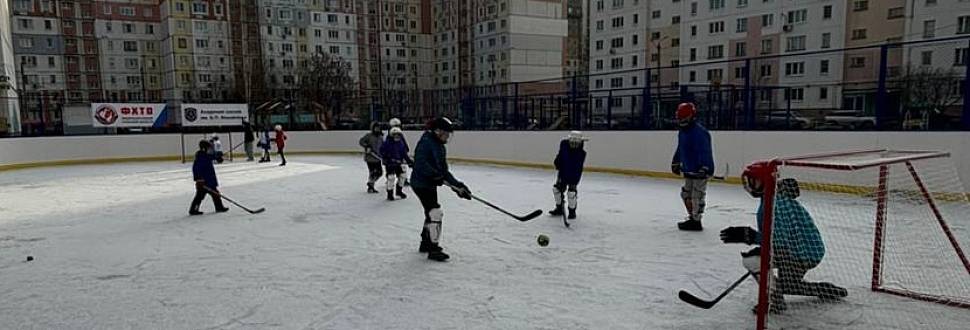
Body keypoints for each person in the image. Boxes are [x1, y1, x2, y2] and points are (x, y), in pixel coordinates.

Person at [720, 167, 847, 313]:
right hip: (806, 251)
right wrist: (754, 238)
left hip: (799, 253)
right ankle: (825, 290)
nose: (749, 187)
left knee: (753, 260)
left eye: (753, 182)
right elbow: (779, 238)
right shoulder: (775, 197)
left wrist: (752, 237)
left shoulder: (774, 204)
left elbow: (779, 242)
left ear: (766, 182)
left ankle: (774, 301)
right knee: (788, 286)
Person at [410, 117, 471, 262]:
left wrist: (458, 186)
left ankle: (425, 243)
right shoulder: (425, 143)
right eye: (446, 133)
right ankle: (433, 248)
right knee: (435, 212)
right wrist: (434, 175)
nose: (448, 136)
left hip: (430, 183)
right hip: (420, 183)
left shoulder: (439, 146)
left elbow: (444, 171)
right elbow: (420, 163)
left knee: (431, 213)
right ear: (437, 131)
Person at [670, 102, 714, 231]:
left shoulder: (700, 133)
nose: (682, 121)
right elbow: (681, 148)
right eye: (680, 118)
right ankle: (692, 217)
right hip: (689, 169)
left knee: (697, 196)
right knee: (686, 194)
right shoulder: (683, 132)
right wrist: (676, 161)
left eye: (684, 118)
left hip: (701, 170)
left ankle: (697, 220)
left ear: (692, 116)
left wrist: (705, 167)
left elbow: (705, 151)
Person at [550, 131, 587, 219]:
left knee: (571, 193)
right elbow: (560, 157)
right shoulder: (564, 146)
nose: (574, 144)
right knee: (557, 189)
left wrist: (570, 181)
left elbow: (576, 169)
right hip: (563, 172)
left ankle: (572, 211)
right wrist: (557, 162)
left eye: (576, 142)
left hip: (574, 174)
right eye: (572, 142)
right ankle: (559, 208)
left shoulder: (581, 154)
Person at [190, 140, 229, 215]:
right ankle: (193, 210)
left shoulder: (205, 156)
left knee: (215, 195)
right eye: (209, 148)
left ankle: (219, 207)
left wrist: (218, 157)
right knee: (200, 197)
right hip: (203, 182)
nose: (210, 150)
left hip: (209, 181)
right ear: (204, 149)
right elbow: (196, 169)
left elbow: (212, 156)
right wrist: (199, 179)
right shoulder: (201, 157)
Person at [380, 127, 414, 201]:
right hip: (390, 164)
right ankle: (390, 194)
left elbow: (404, 153)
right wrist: (387, 157)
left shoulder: (401, 143)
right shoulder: (387, 143)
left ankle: (399, 191)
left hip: (398, 163)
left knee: (402, 176)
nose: (397, 136)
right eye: (395, 135)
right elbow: (382, 151)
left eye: (398, 135)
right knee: (391, 178)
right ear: (391, 135)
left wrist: (409, 162)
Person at [359, 121, 384, 193]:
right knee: (372, 172)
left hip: (378, 158)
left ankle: (371, 183)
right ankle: (371, 187)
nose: (377, 129)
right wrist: (367, 147)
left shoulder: (381, 137)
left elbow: (382, 146)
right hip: (370, 158)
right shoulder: (368, 136)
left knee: (379, 173)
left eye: (378, 128)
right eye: (376, 128)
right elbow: (361, 141)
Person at [388, 118, 411, 186]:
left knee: (402, 166)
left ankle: (404, 179)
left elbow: (402, 141)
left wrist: (405, 148)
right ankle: (391, 179)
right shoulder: (391, 135)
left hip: (400, 153)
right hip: (394, 154)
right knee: (394, 167)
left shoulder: (399, 134)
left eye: (398, 125)